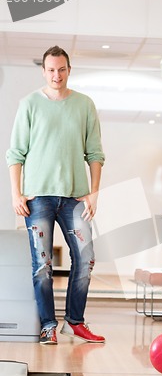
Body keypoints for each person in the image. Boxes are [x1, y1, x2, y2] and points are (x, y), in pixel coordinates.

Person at [6, 45, 106, 345]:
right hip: (38, 198)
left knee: (85, 259)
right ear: (44, 70)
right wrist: (16, 193)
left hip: (75, 198)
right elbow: (15, 154)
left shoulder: (84, 104)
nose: (56, 75)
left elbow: (95, 152)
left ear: (69, 70)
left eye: (61, 69)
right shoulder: (29, 104)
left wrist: (94, 193)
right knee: (43, 265)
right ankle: (48, 325)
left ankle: (74, 321)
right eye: (51, 69)